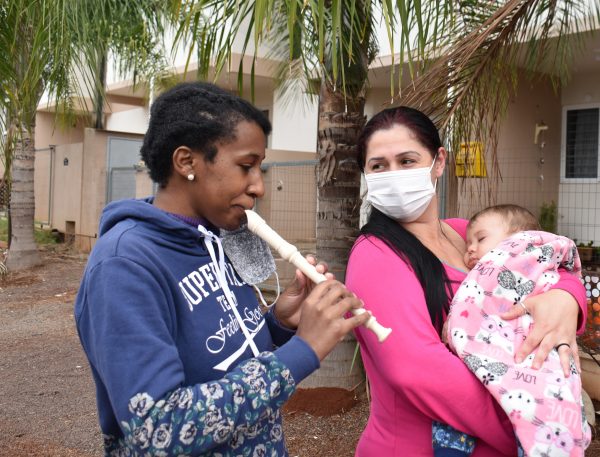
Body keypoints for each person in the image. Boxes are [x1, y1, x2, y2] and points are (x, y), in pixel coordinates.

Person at [74, 81, 370, 456]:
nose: (259, 186)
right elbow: (158, 430)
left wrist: (280, 323)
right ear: (187, 163)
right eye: (246, 166)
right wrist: (303, 352)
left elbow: (226, 351)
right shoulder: (124, 266)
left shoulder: (220, 235)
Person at [345, 106, 587, 456]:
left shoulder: (469, 235)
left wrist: (566, 300)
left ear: (438, 162)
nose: (393, 174)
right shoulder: (374, 255)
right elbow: (416, 372)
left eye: (407, 160)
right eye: (379, 166)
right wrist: (531, 430)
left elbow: (547, 267)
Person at [438, 204, 590, 456]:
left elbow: (563, 282)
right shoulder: (482, 273)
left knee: (543, 405)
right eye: (468, 245)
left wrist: (569, 296)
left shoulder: (533, 263)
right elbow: (475, 300)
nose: (471, 249)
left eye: (480, 239)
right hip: (490, 358)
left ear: (518, 237)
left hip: (535, 361)